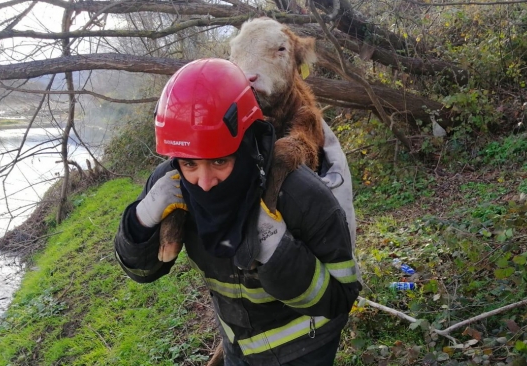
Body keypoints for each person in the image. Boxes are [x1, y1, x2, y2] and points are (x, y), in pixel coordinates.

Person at [114, 58, 361, 366]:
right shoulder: (171, 185)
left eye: (220, 162)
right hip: (238, 346)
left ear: (246, 143)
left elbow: (341, 297)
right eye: (190, 163)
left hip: (303, 348)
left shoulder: (301, 195)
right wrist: (141, 220)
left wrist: (276, 249)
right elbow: (142, 272)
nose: (204, 184)